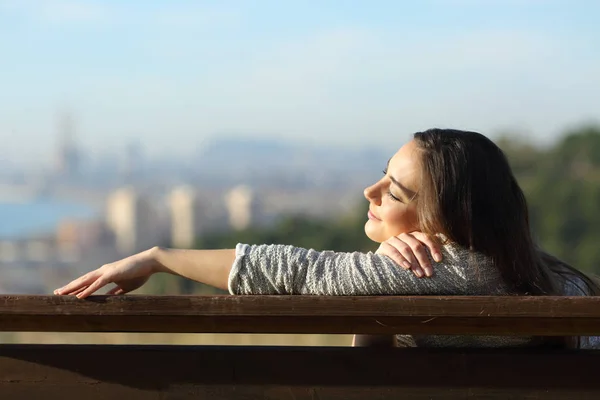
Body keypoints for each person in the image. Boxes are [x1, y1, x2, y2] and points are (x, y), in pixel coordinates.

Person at [54, 128, 599, 348]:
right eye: (382, 172)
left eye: (395, 192)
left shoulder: (439, 271)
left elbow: (296, 272)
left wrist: (159, 257)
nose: (371, 189)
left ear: (443, 222)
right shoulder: (550, 276)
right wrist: (382, 269)